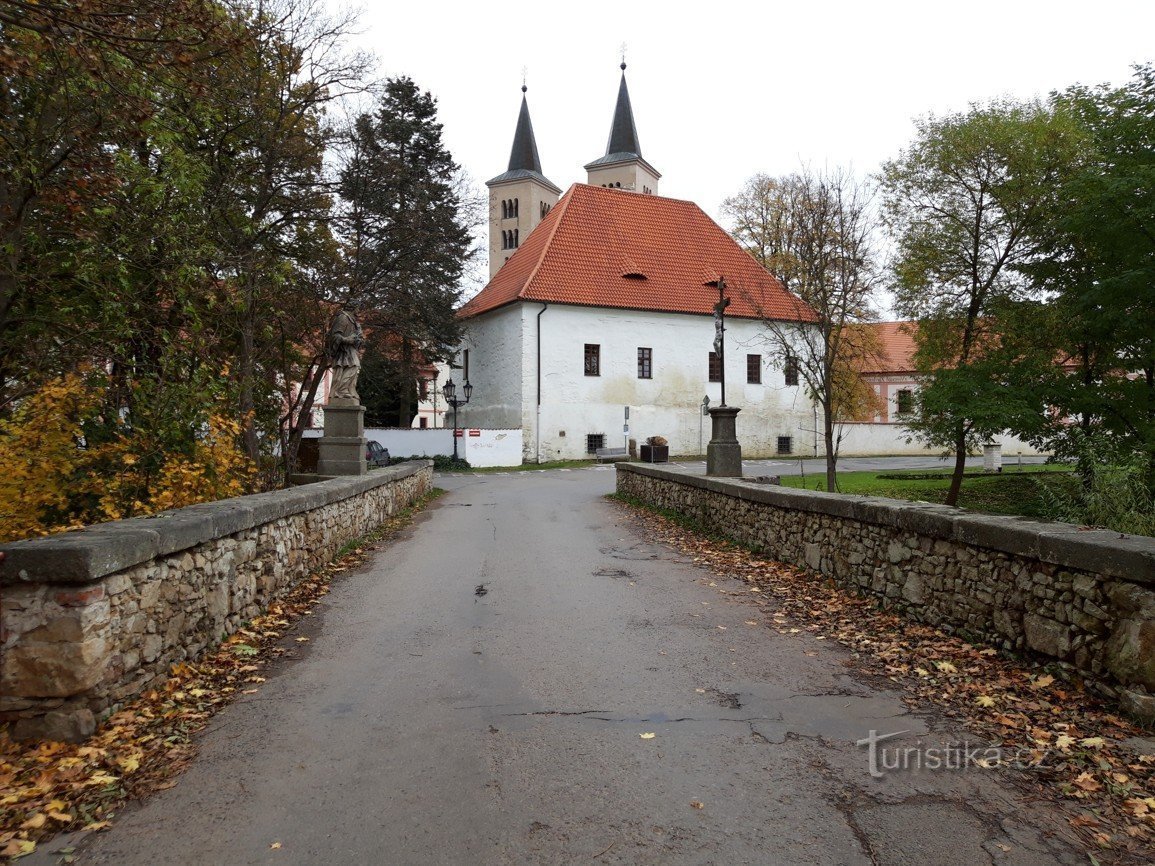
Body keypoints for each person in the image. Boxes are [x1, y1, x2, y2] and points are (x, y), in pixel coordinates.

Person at [327, 304, 364, 401]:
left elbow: (358, 337)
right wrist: (347, 340)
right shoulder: (343, 318)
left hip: (350, 349)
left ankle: (347, 390)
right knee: (354, 365)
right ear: (353, 308)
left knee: (355, 366)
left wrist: (358, 340)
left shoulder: (353, 321)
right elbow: (335, 336)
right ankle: (341, 390)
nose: (358, 311)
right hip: (343, 350)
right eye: (358, 308)